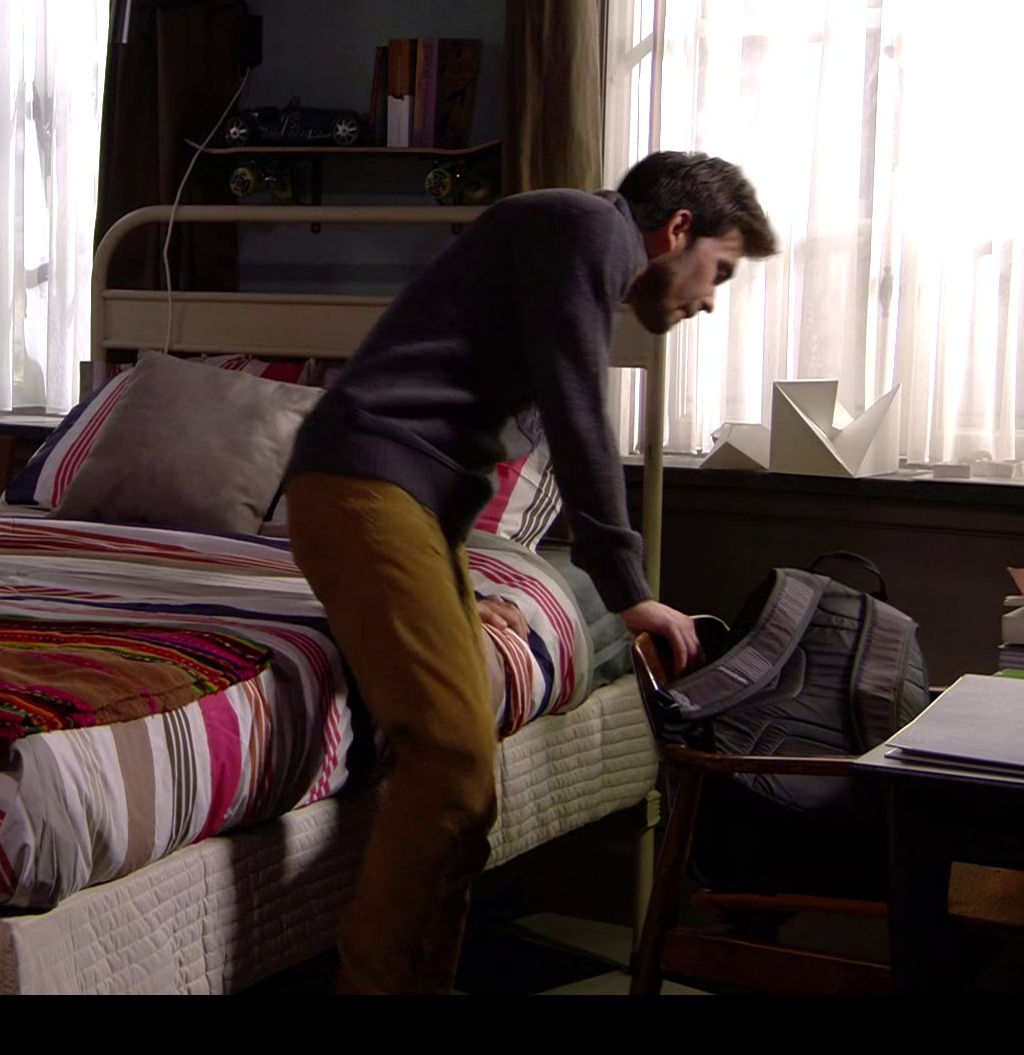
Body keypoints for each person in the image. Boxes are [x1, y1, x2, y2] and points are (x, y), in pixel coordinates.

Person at [283, 151, 778, 994]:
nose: (708, 301)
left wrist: (455, 592)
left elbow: (441, 429)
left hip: (401, 504)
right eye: (719, 273)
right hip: (360, 489)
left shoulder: (569, 238)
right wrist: (630, 594)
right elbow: (577, 412)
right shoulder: (588, 229)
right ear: (678, 229)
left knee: (469, 787)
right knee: (451, 763)